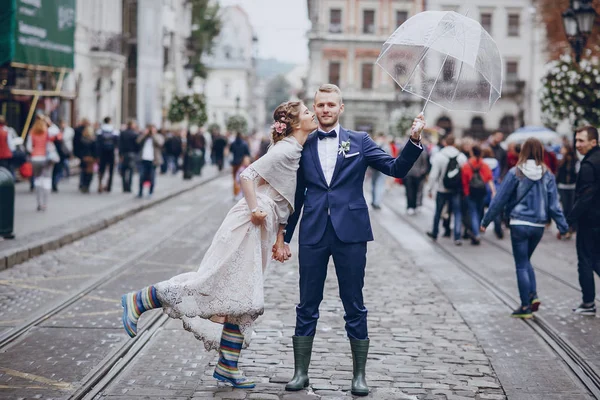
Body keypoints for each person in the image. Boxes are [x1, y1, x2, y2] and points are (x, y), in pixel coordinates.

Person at [120, 101, 316, 389]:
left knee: (242, 295)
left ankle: (227, 367)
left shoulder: (294, 149)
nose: (313, 114)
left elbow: (284, 198)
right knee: (215, 283)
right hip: (249, 223)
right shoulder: (287, 149)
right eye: (308, 112)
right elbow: (247, 176)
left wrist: (279, 237)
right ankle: (141, 299)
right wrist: (254, 209)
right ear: (297, 124)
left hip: (263, 225)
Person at [281, 84, 424, 396]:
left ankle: (359, 376)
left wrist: (413, 141)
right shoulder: (303, 144)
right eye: (320, 105)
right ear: (315, 109)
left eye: (331, 104)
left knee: (354, 303)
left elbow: (395, 168)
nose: (326, 110)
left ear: (341, 108)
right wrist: (283, 237)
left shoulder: (360, 141)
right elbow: (296, 195)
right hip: (314, 232)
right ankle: (300, 372)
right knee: (307, 303)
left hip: (351, 233)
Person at [481, 138, 568, 319]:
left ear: (523, 151)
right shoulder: (548, 174)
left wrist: (485, 221)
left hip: (519, 223)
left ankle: (525, 306)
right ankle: (533, 295)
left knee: (521, 264)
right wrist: (563, 226)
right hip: (538, 225)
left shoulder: (516, 173)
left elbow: (500, 199)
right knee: (526, 260)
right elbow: (554, 206)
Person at [568, 126, 600, 315]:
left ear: (593, 142)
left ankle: (588, 302)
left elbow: (586, 196)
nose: (577, 144)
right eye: (576, 140)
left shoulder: (589, 165)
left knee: (586, 261)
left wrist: (571, 219)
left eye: (581, 140)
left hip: (590, 220)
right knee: (595, 258)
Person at [426, 135, 468, 245]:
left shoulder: (439, 156)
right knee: (457, 212)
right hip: (456, 190)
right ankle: (457, 236)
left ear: (445, 143)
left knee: (438, 212)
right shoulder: (461, 156)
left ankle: (435, 232)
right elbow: (465, 174)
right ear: (454, 143)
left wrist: (430, 189)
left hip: (442, 189)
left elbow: (433, 175)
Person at [461, 145, 495, 245]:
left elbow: (464, 181)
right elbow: (489, 178)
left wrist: (466, 193)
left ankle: (476, 233)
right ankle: (478, 228)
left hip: (470, 193)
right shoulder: (484, 165)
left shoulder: (467, 165)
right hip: (482, 192)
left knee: (473, 213)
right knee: (480, 211)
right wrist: (493, 191)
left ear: (472, 152)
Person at [26, 116, 59, 211]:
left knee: (37, 180)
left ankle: (38, 202)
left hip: (35, 158)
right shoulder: (48, 132)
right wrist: (49, 122)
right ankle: (45, 203)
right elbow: (56, 131)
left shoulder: (31, 133)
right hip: (46, 158)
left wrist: (34, 151)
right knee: (47, 181)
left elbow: (29, 147)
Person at [136, 124, 164, 199]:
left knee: (152, 177)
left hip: (153, 160)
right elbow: (138, 141)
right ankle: (140, 192)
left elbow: (160, 143)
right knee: (142, 176)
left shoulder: (158, 136)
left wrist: (153, 135)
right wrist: (145, 134)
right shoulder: (145, 137)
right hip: (143, 159)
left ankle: (150, 192)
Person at [556, 144, 577, 232]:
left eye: (563, 148)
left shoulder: (575, 161)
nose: (561, 150)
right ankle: (565, 227)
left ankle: (571, 227)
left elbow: (576, 173)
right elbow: (559, 174)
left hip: (572, 186)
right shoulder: (561, 160)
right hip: (563, 186)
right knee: (565, 208)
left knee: (571, 207)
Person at [96, 116, 119, 193]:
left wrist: (97, 155)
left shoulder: (100, 130)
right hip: (111, 152)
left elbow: (97, 144)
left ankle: (100, 184)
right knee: (111, 170)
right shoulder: (114, 130)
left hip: (102, 153)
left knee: (101, 169)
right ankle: (108, 186)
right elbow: (117, 144)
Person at [404, 148, 430, 215]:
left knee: (413, 191)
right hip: (413, 174)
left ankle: (412, 206)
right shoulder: (423, 151)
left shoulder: (422, 151)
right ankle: (412, 206)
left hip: (413, 174)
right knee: (412, 191)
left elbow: (425, 164)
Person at [370, 133, 391, 209]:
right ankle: (377, 202)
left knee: (373, 185)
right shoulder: (386, 146)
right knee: (380, 185)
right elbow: (390, 158)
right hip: (382, 169)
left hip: (374, 168)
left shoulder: (373, 144)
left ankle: (373, 201)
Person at [119, 119, 139, 193]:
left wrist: (120, 154)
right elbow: (137, 145)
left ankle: (124, 187)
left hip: (124, 154)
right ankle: (129, 187)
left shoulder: (123, 133)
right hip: (132, 154)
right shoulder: (134, 134)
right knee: (130, 171)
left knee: (124, 171)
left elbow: (120, 145)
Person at [229, 132, 251, 197]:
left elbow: (230, 151)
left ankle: (236, 192)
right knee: (243, 178)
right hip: (242, 163)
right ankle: (242, 193)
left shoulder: (233, 143)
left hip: (234, 163)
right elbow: (247, 153)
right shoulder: (244, 144)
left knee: (235, 179)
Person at [79, 126, 97, 193]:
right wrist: (95, 157)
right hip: (90, 158)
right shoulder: (93, 140)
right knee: (89, 173)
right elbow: (95, 150)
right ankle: (86, 185)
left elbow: (80, 150)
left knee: (83, 172)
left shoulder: (82, 139)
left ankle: (83, 184)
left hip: (84, 157)